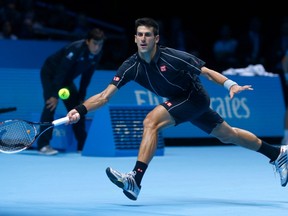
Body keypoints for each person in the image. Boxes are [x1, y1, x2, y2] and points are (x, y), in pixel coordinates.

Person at [66, 17, 288, 201]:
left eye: (148, 35)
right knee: (228, 135)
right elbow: (105, 96)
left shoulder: (173, 57)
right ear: (135, 38)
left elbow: (207, 72)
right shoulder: (130, 66)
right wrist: (80, 110)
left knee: (151, 121)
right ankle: (277, 153)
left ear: (156, 38)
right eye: (140, 35)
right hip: (180, 101)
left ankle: (135, 179)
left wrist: (231, 84)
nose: (143, 39)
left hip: (195, 97)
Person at [37, 27, 105, 155]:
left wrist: (81, 97)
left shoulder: (96, 55)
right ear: (87, 41)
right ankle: (43, 145)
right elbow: (61, 71)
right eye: (95, 44)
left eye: (100, 45)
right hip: (51, 75)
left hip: (66, 80)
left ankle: (82, 146)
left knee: (79, 109)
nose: (97, 47)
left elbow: (87, 77)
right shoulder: (76, 49)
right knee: (50, 106)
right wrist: (53, 95)